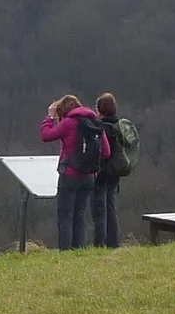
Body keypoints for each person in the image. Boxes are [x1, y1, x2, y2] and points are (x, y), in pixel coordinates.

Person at [41, 94, 111, 251]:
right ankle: (79, 250)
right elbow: (106, 152)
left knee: (66, 215)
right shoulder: (94, 122)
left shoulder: (68, 123)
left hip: (69, 175)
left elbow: (46, 136)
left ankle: (65, 251)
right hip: (89, 176)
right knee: (80, 214)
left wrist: (50, 117)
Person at [94, 93, 123, 249]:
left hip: (102, 173)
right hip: (115, 172)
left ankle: (100, 244)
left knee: (100, 211)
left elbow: (100, 152)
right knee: (111, 208)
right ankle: (114, 243)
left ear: (100, 109)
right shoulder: (119, 126)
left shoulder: (101, 128)